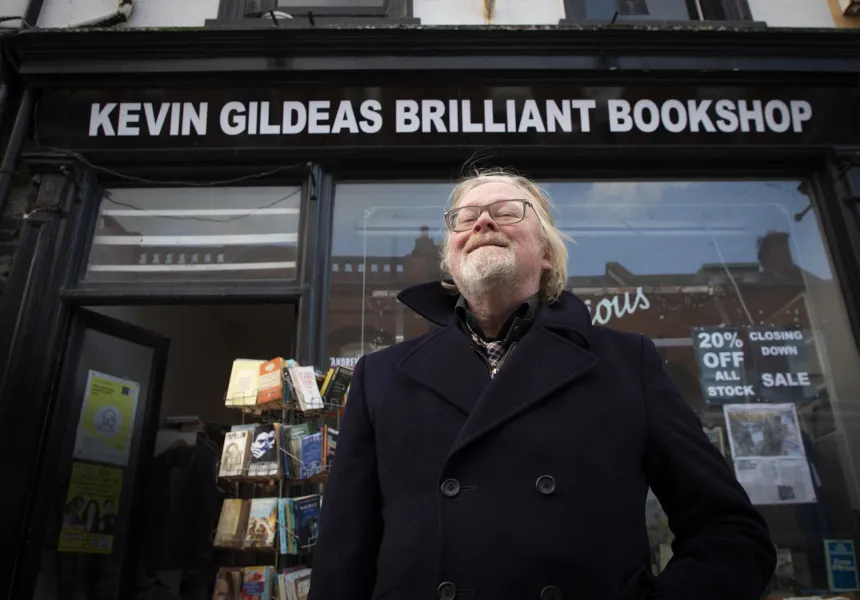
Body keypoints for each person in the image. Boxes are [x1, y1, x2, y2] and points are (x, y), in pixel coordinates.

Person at [308, 168, 776, 600]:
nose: (483, 222)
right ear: (451, 259)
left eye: (507, 212)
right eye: (465, 217)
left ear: (548, 254)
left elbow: (730, 531)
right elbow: (341, 559)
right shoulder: (380, 376)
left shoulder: (626, 363)